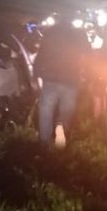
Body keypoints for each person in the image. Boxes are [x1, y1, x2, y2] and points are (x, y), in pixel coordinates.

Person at [34, 16, 90, 147]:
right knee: (67, 109)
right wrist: (87, 74)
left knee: (46, 110)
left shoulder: (50, 32)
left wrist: (36, 74)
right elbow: (87, 53)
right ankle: (61, 130)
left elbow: (41, 53)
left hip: (51, 78)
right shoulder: (79, 33)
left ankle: (45, 143)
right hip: (70, 78)